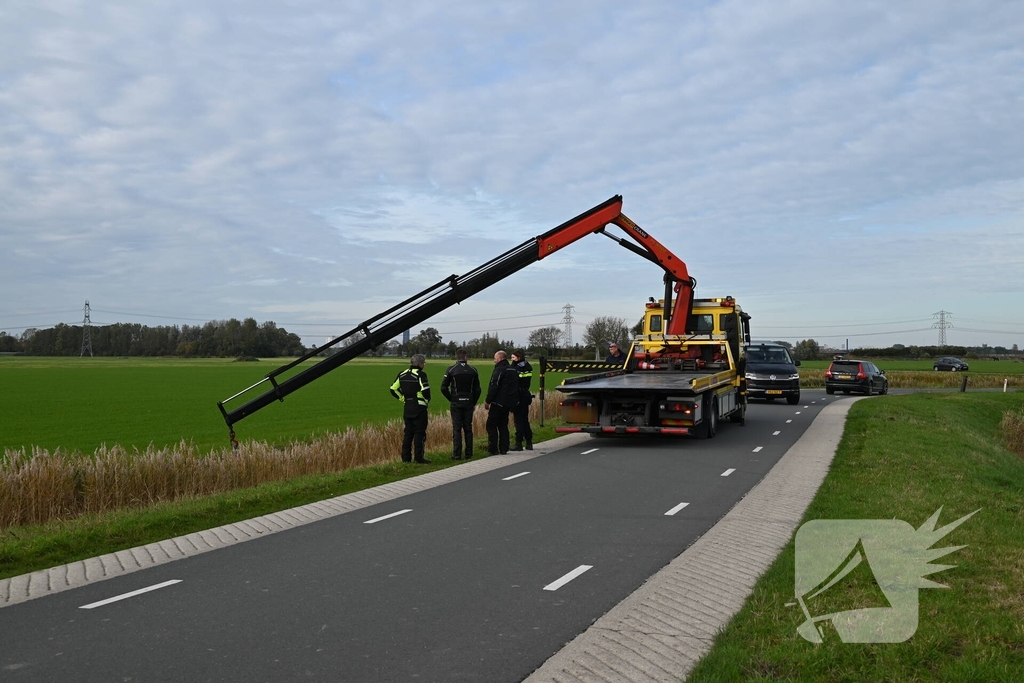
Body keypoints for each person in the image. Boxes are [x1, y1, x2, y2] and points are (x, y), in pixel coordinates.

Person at [389, 354, 432, 464]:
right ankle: (419, 458)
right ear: (420, 364)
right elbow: (426, 391)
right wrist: (426, 401)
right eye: (424, 363)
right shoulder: (420, 374)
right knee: (419, 433)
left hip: (407, 407)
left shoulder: (402, 374)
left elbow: (393, 388)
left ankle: (406, 458)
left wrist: (403, 398)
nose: (424, 365)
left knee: (408, 433)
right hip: (419, 407)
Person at [440, 348, 482, 460]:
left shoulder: (451, 369)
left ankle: (457, 454)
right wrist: (474, 402)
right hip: (468, 402)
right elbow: (478, 389)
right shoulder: (473, 370)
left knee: (457, 428)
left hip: (456, 403)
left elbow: (443, 387)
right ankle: (469, 453)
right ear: (466, 357)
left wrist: (452, 398)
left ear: (456, 357)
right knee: (468, 428)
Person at [484, 349, 520, 455]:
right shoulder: (513, 370)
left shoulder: (499, 370)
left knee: (491, 425)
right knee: (503, 425)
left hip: (498, 402)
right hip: (509, 403)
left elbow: (494, 386)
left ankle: (493, 449)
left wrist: (488, 400)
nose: (494, 361)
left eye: (495, 359)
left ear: (500, 358)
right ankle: (504, 448)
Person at [507, 350, 534, 451]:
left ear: (518, 358)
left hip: (518, 396)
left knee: (518, 421)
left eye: (513, 357)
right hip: (526, 395)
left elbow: (514, 383)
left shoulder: (516, 368)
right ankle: (529, 442)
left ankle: (518, 443)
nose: (511, 359)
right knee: (525, 420)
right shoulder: (527, 366)